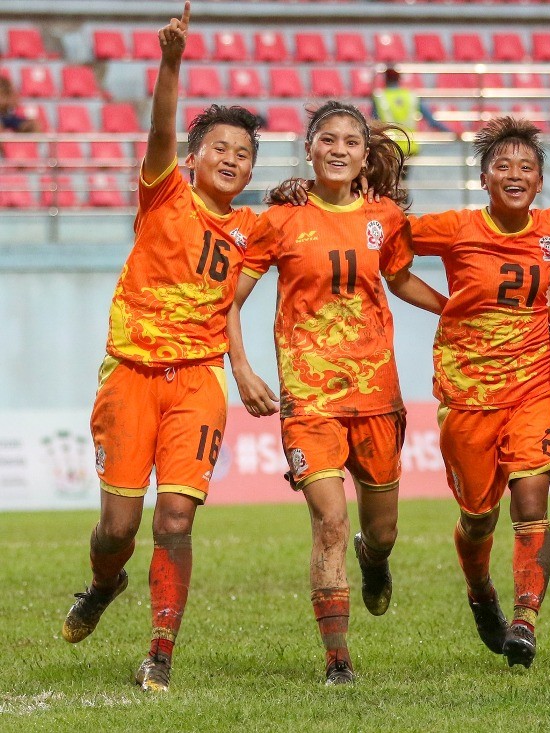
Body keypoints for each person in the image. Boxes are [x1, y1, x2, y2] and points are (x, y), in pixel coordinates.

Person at [61, 2, 277, 692]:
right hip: (129, 373)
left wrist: (242, 366)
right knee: (117, 529)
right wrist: (171, 61)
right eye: (221, 148)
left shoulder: (252, 229)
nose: (233, 160)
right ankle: (105, 582)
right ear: (193, 158)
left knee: (176, 518)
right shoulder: (164, 195)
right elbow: (159, 127)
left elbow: (311, 233)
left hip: (198, 380)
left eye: (244, 154)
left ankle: (159, 653)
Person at [227, 100, 446, 685]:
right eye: (328, 139)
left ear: (364, 154)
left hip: (377, 395)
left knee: (382, 532)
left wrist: (453, 310)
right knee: (329, 522)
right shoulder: (281, 219)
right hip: (309, 399)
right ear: (310, 149)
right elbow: (231, 299)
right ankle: (338, 660)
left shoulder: (383, 217)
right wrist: (242, 368)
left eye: (351, 141)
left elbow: (398, 278)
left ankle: (374, 562)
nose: (339, 149)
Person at [406, 117, 550, 669]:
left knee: (531, 497)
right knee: (479, 517)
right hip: (468, 396)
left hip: (534, 388)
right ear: (484, 179)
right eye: (502, 166)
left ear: (540, 180)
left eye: (526, 167)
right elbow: (383, 242)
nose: (515, 174)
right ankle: (480, 590)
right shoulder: (455, 227)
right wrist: (444, 305)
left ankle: (525, 620)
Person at [371, 66, 450, 161]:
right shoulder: (411, 96)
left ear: (385, 79)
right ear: (399, 79)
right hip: (410, 146)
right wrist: (450, 132)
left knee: (392, 171)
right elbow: (432, 121)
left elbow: (373, 124)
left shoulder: (380, 98)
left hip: (389, 147)